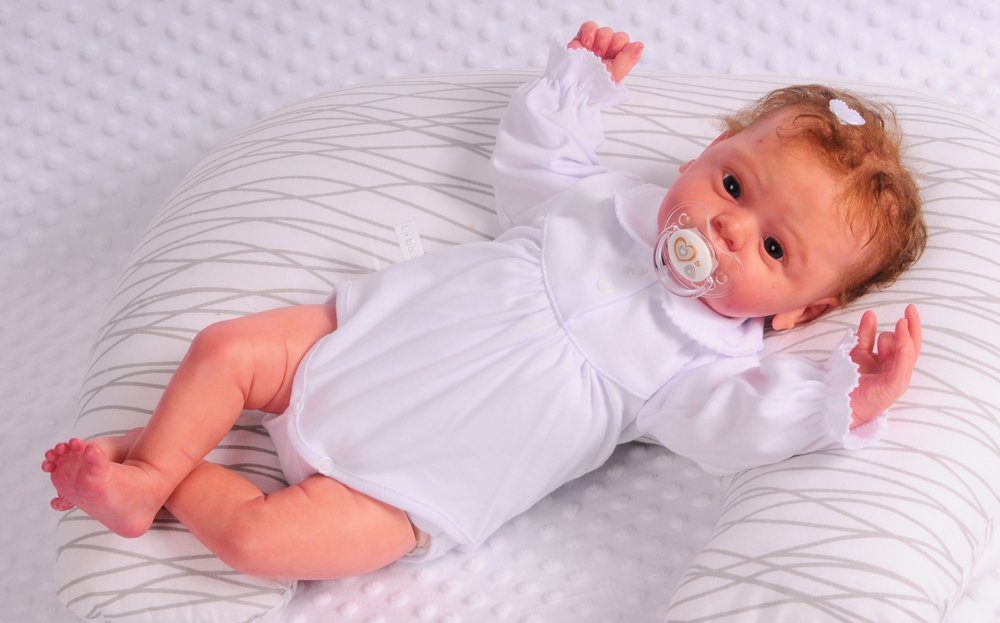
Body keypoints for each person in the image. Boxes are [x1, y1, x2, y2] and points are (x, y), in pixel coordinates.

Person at [42, 21, 925, 580]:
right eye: (732, 184)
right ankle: (150, 470)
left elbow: (738, 427)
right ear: (705, 153)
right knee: (226, 347)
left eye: (774, 249)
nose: (729, 228)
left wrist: (843, 397)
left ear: (801, 311)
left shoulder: (699, 367)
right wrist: (577, 87)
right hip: (351, 344)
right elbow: (535, 161)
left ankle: (167, 474)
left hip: (409, 488)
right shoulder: (599, 206)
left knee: (261, 544)